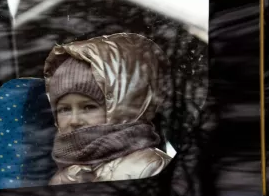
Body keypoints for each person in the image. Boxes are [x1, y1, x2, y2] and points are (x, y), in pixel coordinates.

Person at [43, 33, 172, 185]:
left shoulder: (149, 167)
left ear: (122, 106)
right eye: (64, 109)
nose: (75, 120)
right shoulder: (62, 171)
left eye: (88, 107)